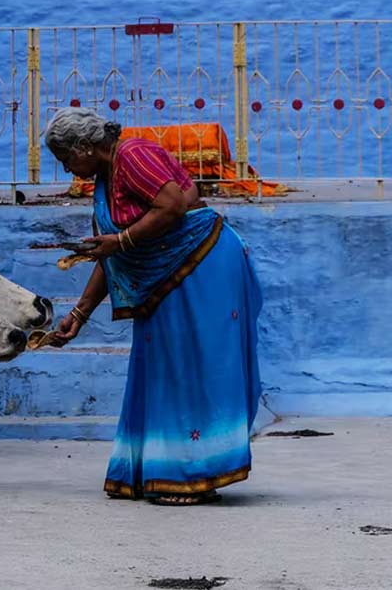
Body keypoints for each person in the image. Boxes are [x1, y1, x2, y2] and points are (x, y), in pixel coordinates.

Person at [44, 107, 263, 506]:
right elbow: (110, 255)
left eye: (66, 159)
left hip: (201, 261)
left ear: (85, 147)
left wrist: (121, 242)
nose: (66, 170)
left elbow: (173, 206)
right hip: (161, 274)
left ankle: (196, 474)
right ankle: (160, 467)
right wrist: (78, 315)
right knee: (161, 366)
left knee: (193, 367)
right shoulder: (104, 180)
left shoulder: (133, 155)